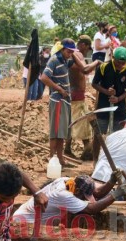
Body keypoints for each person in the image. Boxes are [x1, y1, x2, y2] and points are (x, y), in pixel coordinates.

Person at [41, 38, 89, 167]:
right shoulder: (54, 60)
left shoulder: (65, 60)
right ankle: (52, 159)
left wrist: (72, 53)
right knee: (55, 132)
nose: (69, 54)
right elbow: (44, 77)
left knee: (62, 132)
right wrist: (59, 89)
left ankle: (61, 159)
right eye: (68, 51)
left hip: (65, 101)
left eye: (71, 52)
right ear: (62, 49)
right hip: (58, 100)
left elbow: (82, 68)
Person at [14, 174, 126, 224]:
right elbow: (92, 209)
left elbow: (97, 193)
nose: (84, 199)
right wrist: (115, 195)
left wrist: (111, 181)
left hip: (24, 217)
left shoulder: (68, 181)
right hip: (24, 223)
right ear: (77, 192)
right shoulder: (63, 195)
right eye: (83, 197)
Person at [91, 46, 126, 160]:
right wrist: (106, 91)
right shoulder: (104, 67)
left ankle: (115, 161)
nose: (120, 66)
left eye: (122, 63)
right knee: (98, 136)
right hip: (103, 107)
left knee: (118, 136)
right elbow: (94, 83)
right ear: (113, 58)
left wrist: (118, 98)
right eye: (117, 63)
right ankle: (96, 160)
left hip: (119, 109)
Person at [65, 35, 101, 160]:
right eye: (87, 48)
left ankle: (84, 148)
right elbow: (85, 69)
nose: (87, 51)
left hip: (76, 93)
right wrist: (97, 62)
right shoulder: (77, 54)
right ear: (83, 45)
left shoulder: (74, 55)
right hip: (76, 94)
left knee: (81, 120)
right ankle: (83, 148)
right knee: (78, 121)